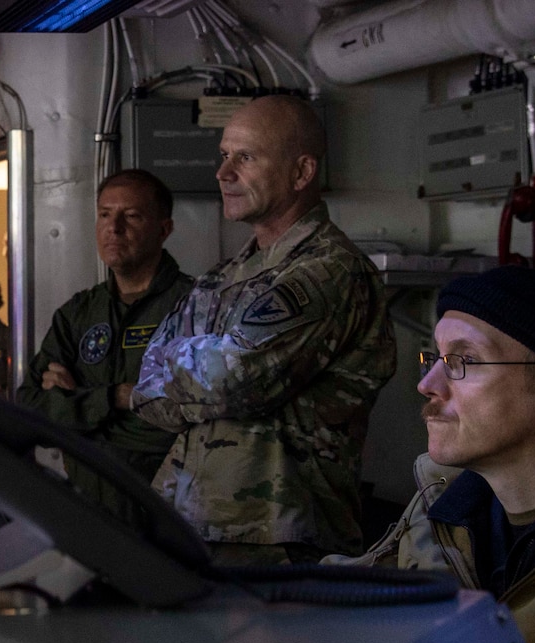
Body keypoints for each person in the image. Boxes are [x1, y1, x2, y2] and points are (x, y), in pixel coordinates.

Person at [132, 96, 395, 563]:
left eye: (245, 157)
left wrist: (191, 363)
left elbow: (231, 380)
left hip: (281, 540)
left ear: (301, 173)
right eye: (224, 155)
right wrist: (205, 367)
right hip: (192, 527)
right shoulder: (221, 277)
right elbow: (146, 389)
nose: (223, 173)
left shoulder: (328, 272)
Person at [326, 267, 535, 643]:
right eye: (434, 358)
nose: (427, 385)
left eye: (463, 361)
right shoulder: (443, 505)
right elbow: (343, 595)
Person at [16, 169, 193, 491]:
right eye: (105, 215)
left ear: (163, 229)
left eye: (132, 216)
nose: (114, 228)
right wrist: (115, 397)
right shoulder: (78, 314)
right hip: (90, 509)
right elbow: (29, 408)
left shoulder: (194, 306)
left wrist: (77, 410)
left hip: (169, 510)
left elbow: (182, 421)